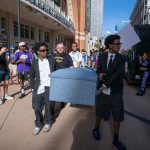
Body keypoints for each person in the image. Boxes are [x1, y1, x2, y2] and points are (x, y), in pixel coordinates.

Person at [93, 34, 126, 150]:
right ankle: (96, 128)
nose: (119, 45)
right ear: (110, 45)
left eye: (119, 43)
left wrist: (105, 85)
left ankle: (116, 140)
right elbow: (98, 69)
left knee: (117, 116)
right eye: (117, 43)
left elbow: (118, 74)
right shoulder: (101, 56)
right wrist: (100, 74)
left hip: (116, 92)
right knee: (100, 113)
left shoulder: (121, 58)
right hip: (103, 92)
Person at [30, 42, 55, 135]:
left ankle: (47, 122)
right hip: (38, 87)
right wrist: (33, 87)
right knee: (36, 107)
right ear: (38, 52)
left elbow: (57, 72)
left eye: (47, 50)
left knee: (49, 106)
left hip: (49, 87)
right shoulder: (34, 62)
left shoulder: (52, 60)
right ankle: (38, 124)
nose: (45, 52)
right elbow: (31, 76)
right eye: (43, 50)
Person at [51, 43, 73, 111]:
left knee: (62, 92)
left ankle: (62, 102)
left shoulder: (68, 56)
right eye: (58, 48)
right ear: (56, 49)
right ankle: (52, 108)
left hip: (64, 78)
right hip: (54, 78)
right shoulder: (52, 55)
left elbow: (71, 67)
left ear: (64, 49)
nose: (60, 49)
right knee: (53, 94)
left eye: (61, 48)